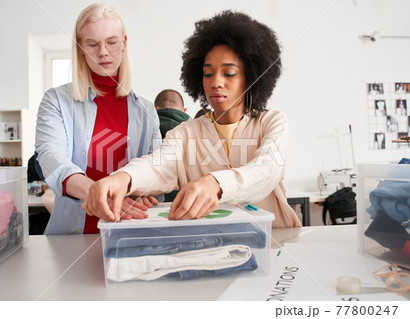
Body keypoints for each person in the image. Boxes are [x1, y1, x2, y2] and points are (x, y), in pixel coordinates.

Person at [83, 10, 301, 228]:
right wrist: (122, 179)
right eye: (208, 74)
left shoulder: (272, 122)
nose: (216, 82)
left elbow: (266, 171)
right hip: (214, 250)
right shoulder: (185, 134)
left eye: (229, 73)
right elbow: (158, 166)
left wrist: (215, 183)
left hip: (274, 244)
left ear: (251, 77)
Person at [35, 4, 162, 235]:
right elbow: (50, 155)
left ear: (124, 43)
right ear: (81, 48)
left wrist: (146, 190)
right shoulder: (56, 101)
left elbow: (158, 169)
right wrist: (96, 192)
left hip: (129, 231)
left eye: (111, 42)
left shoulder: (146, 111)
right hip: (72, 236)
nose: (103, 52)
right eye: (93, 44)